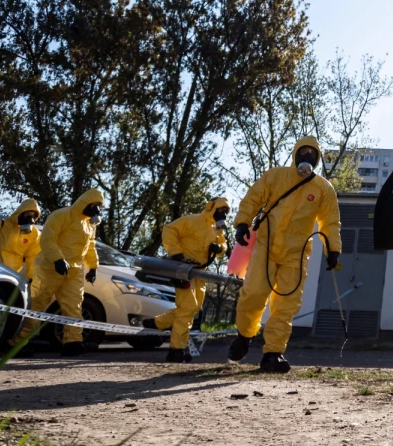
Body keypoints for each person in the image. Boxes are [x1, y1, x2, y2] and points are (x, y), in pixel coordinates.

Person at [228, 136, 343, 373]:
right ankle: (245, 335)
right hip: (266, 246)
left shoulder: (323, 188)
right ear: (296, 154)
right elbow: (253, 198)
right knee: (254, 293)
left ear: (317, 158)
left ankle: (273, 353)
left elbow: (330, 221)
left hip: (297, 253)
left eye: (313, 153)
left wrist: (333, 248)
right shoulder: (275, 176)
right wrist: (242, 223)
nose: (308, 156)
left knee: (286, 304)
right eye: (304, 151)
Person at [10, 188, 106, 357]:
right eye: (94, 205)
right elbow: (48, 238)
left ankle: (73, 342)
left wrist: (93, 267)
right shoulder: (61, 215)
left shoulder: (90, 225)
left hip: (74, 271)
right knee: (37, 304)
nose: (96, 209)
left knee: (74, 306)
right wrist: (58, 259)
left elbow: (90, 246)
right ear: (85, 203)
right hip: (49, 268)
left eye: (99, 206)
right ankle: (16, 343)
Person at [142, 197, 230, 363]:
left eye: (226, 211)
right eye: (220, 210)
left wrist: (219, 248)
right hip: (183, 270)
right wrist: (176, 253)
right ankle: (177, 349)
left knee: (193, 308)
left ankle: (158, 322)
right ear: (211, 207)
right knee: (187, 308)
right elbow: (169, 229)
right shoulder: (192, 221)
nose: (223, 214)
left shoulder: (217, 230)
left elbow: (223, 245)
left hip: (200, 273)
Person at [0, 198, 42, 283]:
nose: (30, 218)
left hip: (10, 277)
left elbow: (33, 257)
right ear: (20, 212)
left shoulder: (34, 234)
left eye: (34, 215)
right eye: (27, 213)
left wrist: (32, 277)